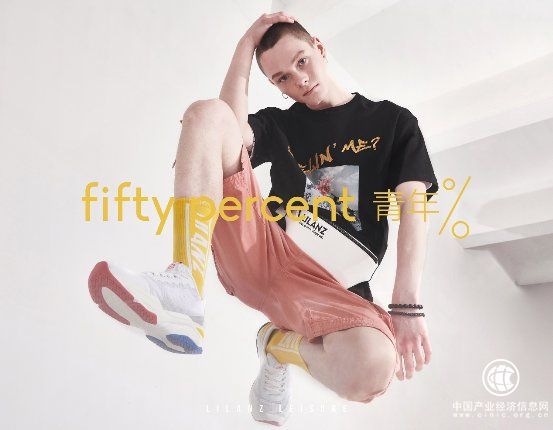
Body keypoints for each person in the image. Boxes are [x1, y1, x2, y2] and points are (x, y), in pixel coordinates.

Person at [87, 12, 438, 425]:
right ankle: (183, 285)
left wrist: (407, 305)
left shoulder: (392, 122)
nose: (299, 80)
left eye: (302, 61)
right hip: (262, 250)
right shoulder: (281, 123)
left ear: (319, 47)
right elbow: (227, 131)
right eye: (282, 78)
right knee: (207, 114)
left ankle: (275, 345)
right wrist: (244, 47)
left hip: (332, 290)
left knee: (373, 369)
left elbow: (414, 206)